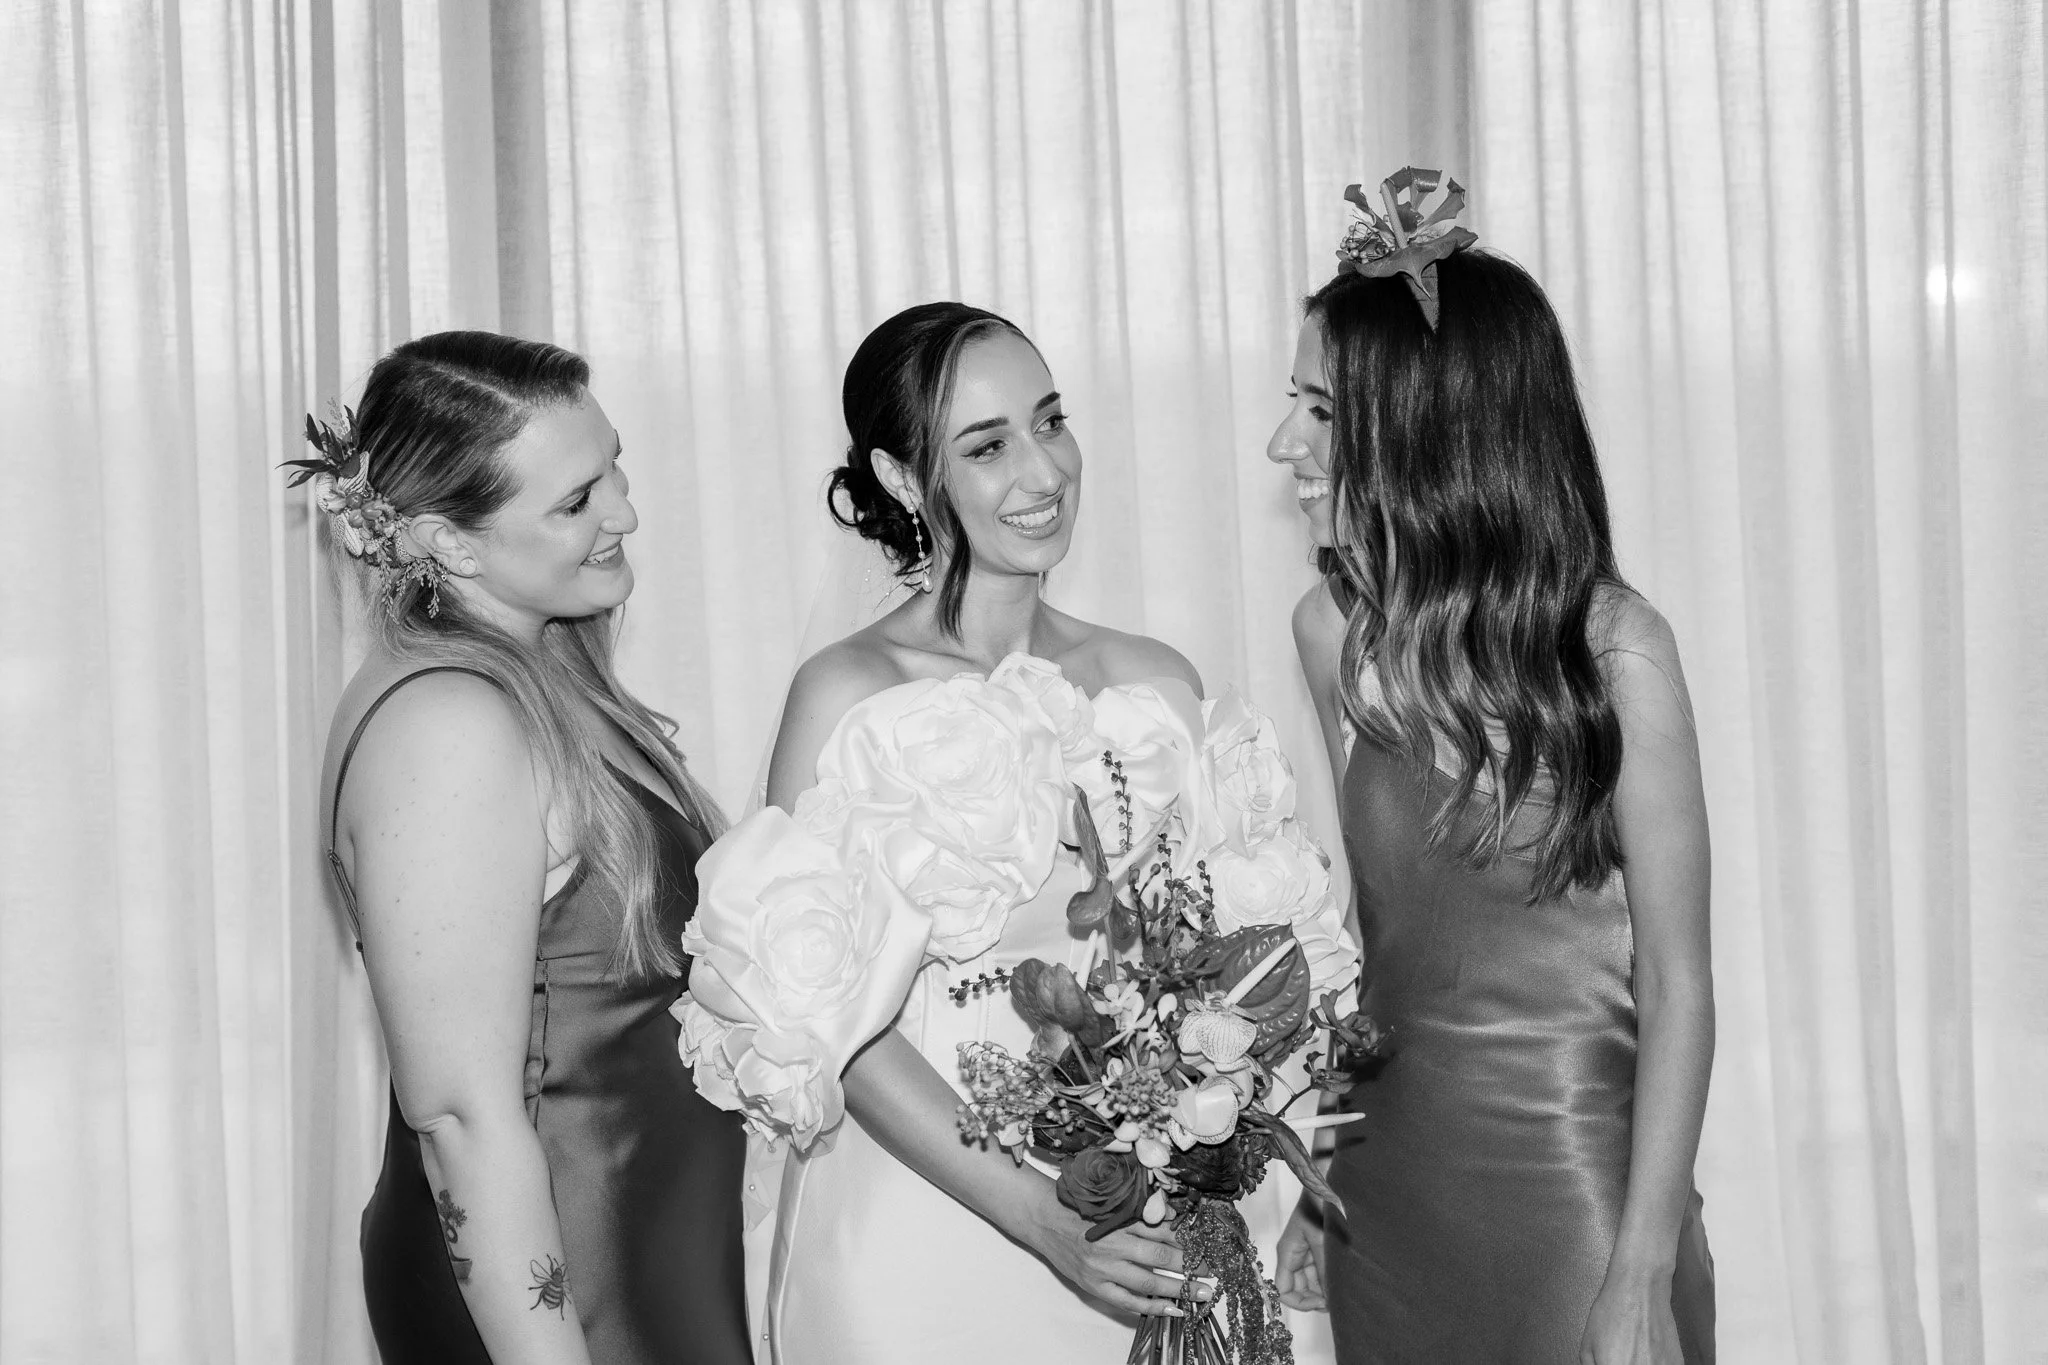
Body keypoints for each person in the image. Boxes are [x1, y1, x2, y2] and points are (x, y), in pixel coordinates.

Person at [1267, 178, 1716, 1363]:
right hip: (1386, 1190)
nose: (1284, 446)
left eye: (1319, 410)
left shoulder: (1615, 649)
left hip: (1579, 1189)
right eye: (1293, 405)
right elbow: (1379, 949)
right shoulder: (1329, 634)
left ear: (1429, 426)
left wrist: (1642, 1271)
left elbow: (1676, 984)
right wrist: (1314, 1163)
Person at [716, 302, 1213, 1362]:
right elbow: (824, 1027)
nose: (1042, 473)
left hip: (1135, 1208)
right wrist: (1041, 1218)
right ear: (900, 479)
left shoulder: (1153, 680)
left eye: (1049, 421)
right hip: (923, 1223)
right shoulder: (847, 697)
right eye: (986, 447)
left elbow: (1204, 960)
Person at [300, 332, 750, 1364]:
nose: (623, 513)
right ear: (448, 544)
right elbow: (458, 1114)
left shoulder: (537, 669)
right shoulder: (446, 727)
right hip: (558, 1294)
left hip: (644, 1257)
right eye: (574, 501)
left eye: (613, 469)